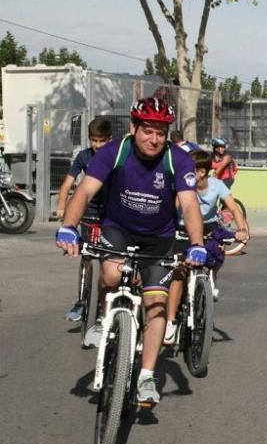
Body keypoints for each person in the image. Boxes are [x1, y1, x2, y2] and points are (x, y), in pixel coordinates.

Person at [55, 97, 205, 405]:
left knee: (156, 306)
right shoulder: (114, 152)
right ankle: (101, 318)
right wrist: (69, 226)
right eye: (147, 130)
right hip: (117, 229)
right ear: (134, 127)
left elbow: (189, 204)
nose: (154, 139)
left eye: (161, 132)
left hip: (159, 237)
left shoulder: (178, 159)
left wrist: (198, 244)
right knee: (110, 274)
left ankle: (147, 375)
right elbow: (84, 191)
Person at [164, 150, 250, 344]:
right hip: (182, 225)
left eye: (189, 169)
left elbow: (233, 208)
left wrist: (242, 229)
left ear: (201, 172)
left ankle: (211, 278)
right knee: (179, 272)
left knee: (219, 249)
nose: (184, 172)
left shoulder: (216, 186)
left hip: (208, 225)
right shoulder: (184, 185)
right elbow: (175, 206)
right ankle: (170, 322)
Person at [58, 117, 113, 322]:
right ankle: (81, 300)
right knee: (87, 257)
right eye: (93, 140)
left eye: (101, 141)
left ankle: (103, 304)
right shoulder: (83, 156)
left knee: (108, 261)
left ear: (110, 139)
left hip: (111, 216)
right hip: (89, 213)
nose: (97, 145)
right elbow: (67, 183)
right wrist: (62, 207)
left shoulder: (117, 156)